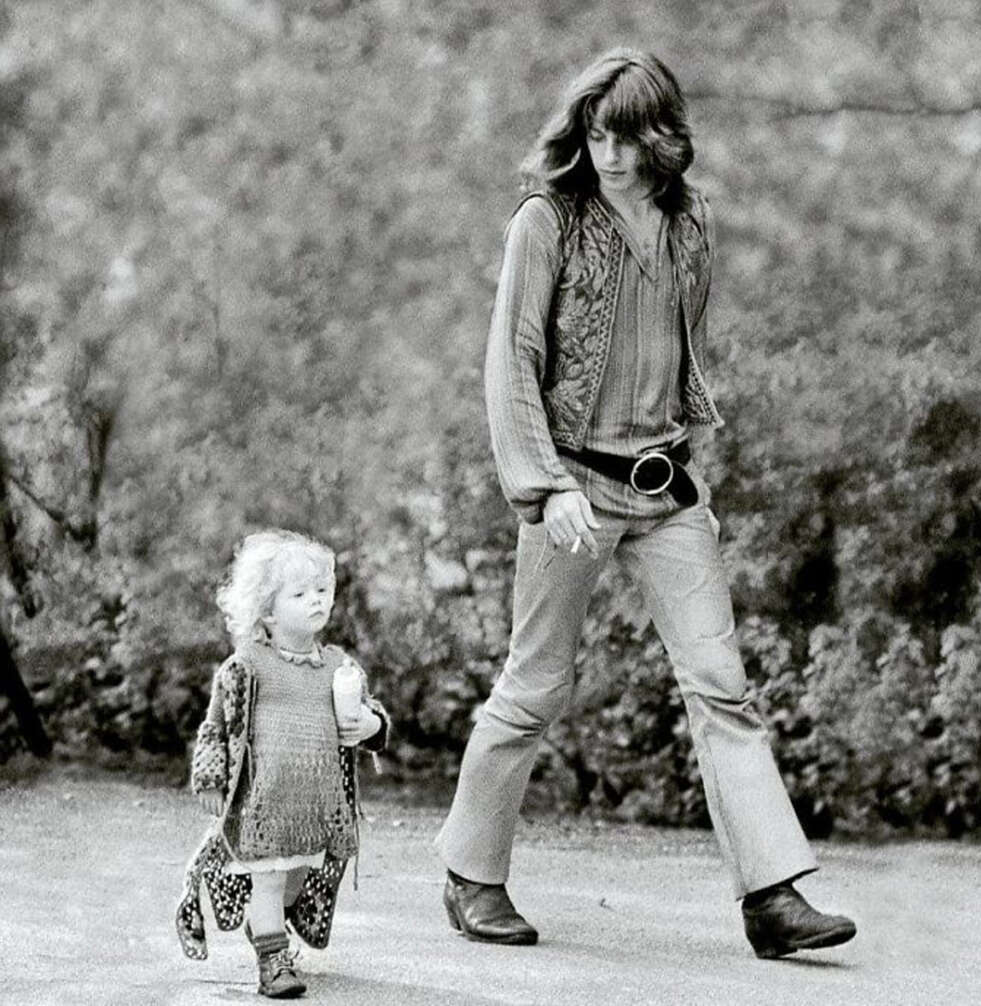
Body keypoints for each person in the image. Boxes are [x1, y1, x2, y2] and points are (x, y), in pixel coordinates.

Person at [435, 48, 856, 959]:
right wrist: (545, 490)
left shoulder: (689, 221)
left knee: (723, 688)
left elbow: (677, 345)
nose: (611, 157)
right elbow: (511, 365)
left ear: (662, 139)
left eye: (627, 139)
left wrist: (679, 440)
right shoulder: (546, 221)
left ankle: (772, 899)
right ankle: (471, 877)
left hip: (667, 493)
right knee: (537, 684)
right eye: (595, 136)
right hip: (572, 488)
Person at [175, 529, 389, 998]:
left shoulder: (338, 667)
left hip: (316, 807)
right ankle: (272, 960)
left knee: (295, 882)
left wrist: (370, 727)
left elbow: (369, 712)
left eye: (322, 590)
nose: (317, 600)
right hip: (264, 806)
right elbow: (216, 725)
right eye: (300, 594)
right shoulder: (248, 665)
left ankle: (266, 927)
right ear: (267, 612)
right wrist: (210, 777)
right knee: (269, 880)